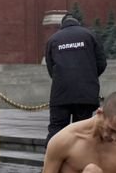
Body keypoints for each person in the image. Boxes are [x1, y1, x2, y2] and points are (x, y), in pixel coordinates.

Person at [44, 14, 106, 144]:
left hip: (61, 93)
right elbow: (101, 63)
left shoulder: (53, 39)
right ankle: (80, 156)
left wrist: (61, 79)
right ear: (77, 22)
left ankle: (53, 155)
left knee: (57, 130)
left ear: (62, 25)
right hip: (85, 93)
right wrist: (88, 76)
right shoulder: (90, 35)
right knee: (82, 131)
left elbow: (50, 67)